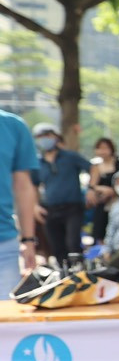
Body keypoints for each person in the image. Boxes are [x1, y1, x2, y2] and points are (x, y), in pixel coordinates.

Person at [32, 121, 92, 268]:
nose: (44, 139)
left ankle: (80, 274)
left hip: (73, 207)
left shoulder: (70, 157)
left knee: (73, 243)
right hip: (51, 209)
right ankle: (64, 275)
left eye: (47, 135)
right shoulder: (37, 162)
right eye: (40, 136)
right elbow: (33, 185)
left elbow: (93, 168)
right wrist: (35, 205)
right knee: (57, 247)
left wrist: (92, 188)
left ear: (56, 137)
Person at [2, 108, 40, 292]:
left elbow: (23, 186)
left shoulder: (13, 126)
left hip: (3, 244)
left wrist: (28, 239)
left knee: (7, 317)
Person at [86, 138, 119, 245]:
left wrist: (113, 191)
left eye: (105, 148)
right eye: (99, 148)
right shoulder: (96, 167)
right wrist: (100, 190)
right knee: (101, 232)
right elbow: (92, 186)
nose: (102, 151)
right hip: (102, 206)